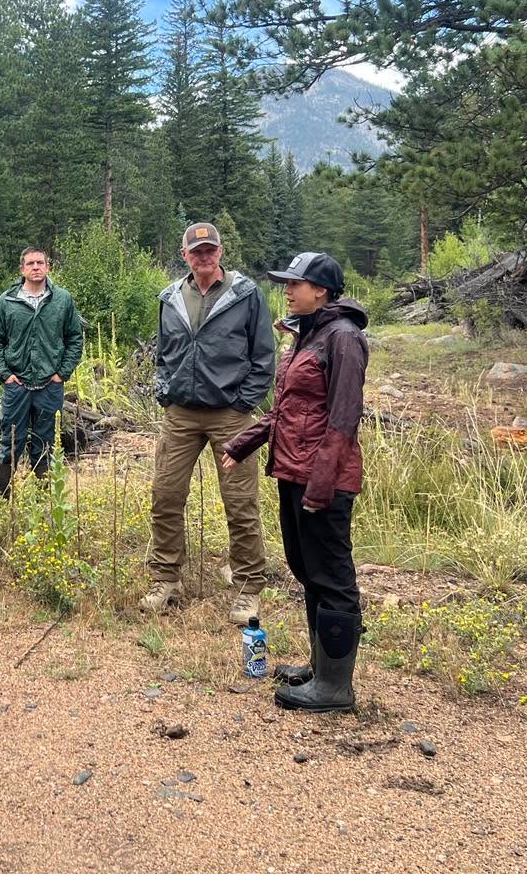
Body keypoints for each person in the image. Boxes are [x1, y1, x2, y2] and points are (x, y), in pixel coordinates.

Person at [219, 251, 369, 712]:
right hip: (293, 471)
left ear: (321, 290)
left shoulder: (343, 339)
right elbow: (288, 411)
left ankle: (336, 689)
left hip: (322, 479)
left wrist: (321, 485)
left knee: (333, 577)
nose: (287, 289)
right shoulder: (308, 335)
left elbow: (343, 419)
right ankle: (319, 669)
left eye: (294, 283)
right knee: (309, 572)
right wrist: (242, 443)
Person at [143, 222, 275, 624]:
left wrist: (243, 403)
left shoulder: (245, 295)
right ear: (185, 255)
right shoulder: (171, 297)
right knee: (165, 495)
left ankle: (248, 587)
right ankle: (166, 580)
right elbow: (163, 352)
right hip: (180, 414)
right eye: (196, 251)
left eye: (210, 250)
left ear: (220, 252)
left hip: (230, 416)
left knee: (240, 502)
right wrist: (165, 390)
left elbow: (263, 355)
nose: (204, 256)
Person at [0, 246, 84, 497]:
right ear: (22, 269)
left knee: (46, 443)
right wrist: (5, 374)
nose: (36, 267)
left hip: (49, 386)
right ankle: (2, 500)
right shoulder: (7, 301)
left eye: (40, 262)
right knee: (10, 442)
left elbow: (74, 338)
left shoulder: (62, 299)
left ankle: (44, 501)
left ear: (48, 267)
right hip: (16, 385)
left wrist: (62, 373)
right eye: (30, 263)